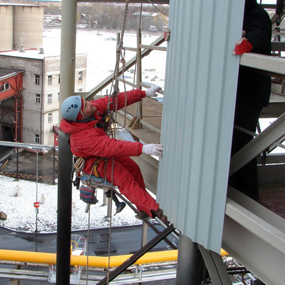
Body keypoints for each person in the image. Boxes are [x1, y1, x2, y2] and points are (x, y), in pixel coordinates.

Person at [60, 86, 168, 223]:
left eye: (86, 101)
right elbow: (112, 146)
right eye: (86, 105)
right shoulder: (81, 139)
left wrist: (143, 93)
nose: (90, 103)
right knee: (123, 178)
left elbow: (115, 101)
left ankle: (143, 208)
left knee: (133, 168)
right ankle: (155, 210)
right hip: (92, 162)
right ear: (80, 115)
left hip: (101, 151)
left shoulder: (91, 111)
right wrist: (142, 148)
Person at [230, 0, 272, 200]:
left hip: (249, 94)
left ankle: (248, 196)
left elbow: (259, 33)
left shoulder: (256, 13)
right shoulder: (235, 14)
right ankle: (236, 190)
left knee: (241, 146)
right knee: (233, 144)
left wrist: (249, 42)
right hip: (236, 93)